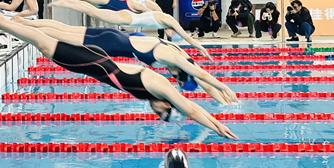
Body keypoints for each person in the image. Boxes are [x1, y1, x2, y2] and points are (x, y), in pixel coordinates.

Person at [0, 14, 238, 139]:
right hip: (94, 62)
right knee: (43, 42)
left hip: (96, 62)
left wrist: (214, 101)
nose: (157, 113)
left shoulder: (154, 92)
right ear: (168, 105)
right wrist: (217, 126)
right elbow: (191, 108)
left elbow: (193, 93)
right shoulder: (161, 87)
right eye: (163, 113)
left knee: (47, 41)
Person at [15, 18, 240, 105]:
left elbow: (200, 77)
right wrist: (224, 88)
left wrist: (222, 97)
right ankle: (18, 25)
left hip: (115, 36)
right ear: (181, 75)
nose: (175, 80)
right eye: (179, 81)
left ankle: (22, 21)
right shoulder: (171, 59)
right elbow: (200, 75)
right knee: (60, 35)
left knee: (65, 28)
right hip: (111, 44)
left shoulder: (177, 52)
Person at [42, 0, 211, 59]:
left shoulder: (163, 22)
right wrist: (200, 47)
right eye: (172, 34)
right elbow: (187, 37)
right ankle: (65, 0)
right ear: (173, 31)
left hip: (128, 17)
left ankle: (65, 0)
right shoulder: (169, 20)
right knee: (94, 12)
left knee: (94, 12)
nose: (170, 35)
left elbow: (172, 44)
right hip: (127, 18)